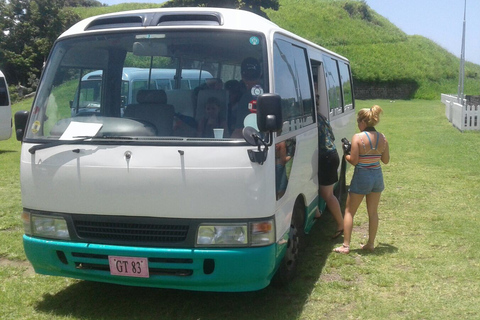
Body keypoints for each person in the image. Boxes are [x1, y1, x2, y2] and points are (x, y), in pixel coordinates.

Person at [334, 105, 390, 254]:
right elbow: (385, 160)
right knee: (373, 212)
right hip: (377, 176)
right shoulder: (382, 138)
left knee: (349, 212)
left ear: (363, 122)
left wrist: (346, 152)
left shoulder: (358, 137)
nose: (358, 125)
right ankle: (370, 243)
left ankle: (345, 246)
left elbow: (354, 160)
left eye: (358, 122)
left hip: (362, 176)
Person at [316, 112, 344, 239]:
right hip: (332, 154)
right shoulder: (321, 116)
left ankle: (341, 224)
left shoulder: (313, 119)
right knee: (323, 190)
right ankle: (316, 212)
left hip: (326, 157)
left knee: (328, 194)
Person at [230, 57, 263, 138]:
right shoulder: (269, 90)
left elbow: (239, 132)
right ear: (260, 74)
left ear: (242, 75)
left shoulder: (247, 98)